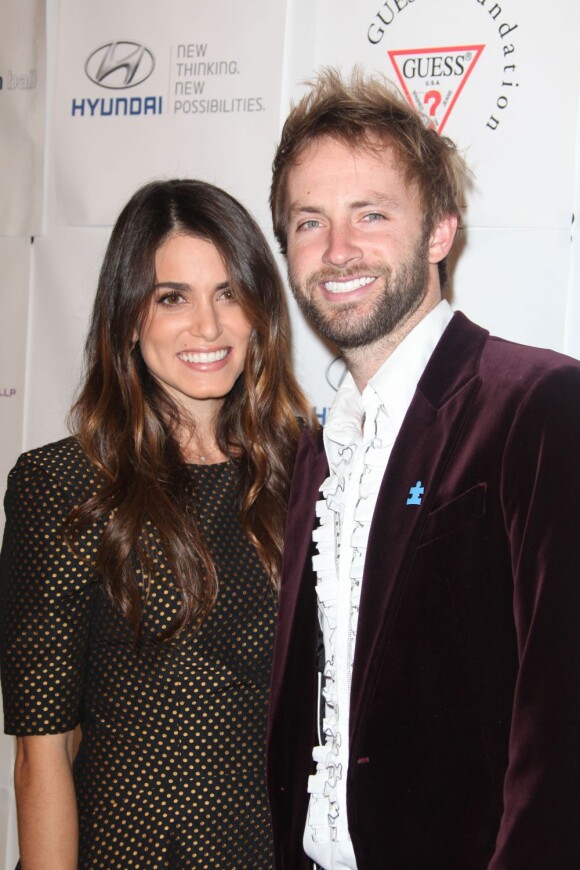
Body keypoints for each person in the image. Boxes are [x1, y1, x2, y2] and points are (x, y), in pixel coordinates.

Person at [266, 68, 580, 869]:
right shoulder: (317, 449)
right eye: (310, 222)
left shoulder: (538, 404)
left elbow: (562, 719)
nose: (337, 251)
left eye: (370, 214)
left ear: (440, 231)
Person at [0, 178, 315, 868]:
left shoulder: (305, 474)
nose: (209, 327)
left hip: (272, 850)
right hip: (129, 850)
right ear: (129, 318)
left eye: (229, 293)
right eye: (172, 297)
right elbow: (40, 753)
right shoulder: (63, 485)